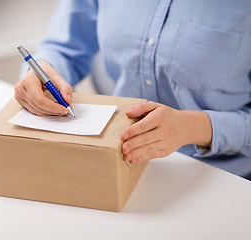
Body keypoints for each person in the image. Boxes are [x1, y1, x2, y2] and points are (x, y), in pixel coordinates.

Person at [15, 0, 251, 179]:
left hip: (220, 178)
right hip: (119, 163)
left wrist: (192, 128)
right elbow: (65, 45)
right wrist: (45, 69)